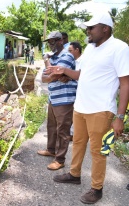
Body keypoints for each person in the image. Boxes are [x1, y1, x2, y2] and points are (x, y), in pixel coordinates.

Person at [48, 12, 129, 204]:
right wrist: (64, 71)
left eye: (91, 27)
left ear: (105, 28)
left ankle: (97, 188)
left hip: (101, 109)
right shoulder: (90, 48)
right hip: (81, 107)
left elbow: (126, 83)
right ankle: (74, 174)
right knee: (77, 143)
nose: (87, 30)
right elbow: (81, 75)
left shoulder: (119, 48)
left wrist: (120, 116)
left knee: (98, 151)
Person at [37, 31, 77, 171]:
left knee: (63, 131)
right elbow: (44, 77)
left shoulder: (66, 55)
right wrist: (56, 75)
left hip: (65, 98)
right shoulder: (54, 57)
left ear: (60, 41)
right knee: (52, 127)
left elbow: (52, 75)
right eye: (49, 42)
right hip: (53, 97)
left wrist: (53, 71)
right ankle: (51, 149)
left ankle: (60, 160)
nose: (50, 44)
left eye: (53, 41)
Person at [67, 41, 82, 141]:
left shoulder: (82, 62)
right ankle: (71, 134)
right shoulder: (73, 61)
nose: (69, 53)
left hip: (80, 93)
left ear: (77, 50)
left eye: (70, 51)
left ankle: (74, 135)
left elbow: (78, 76)